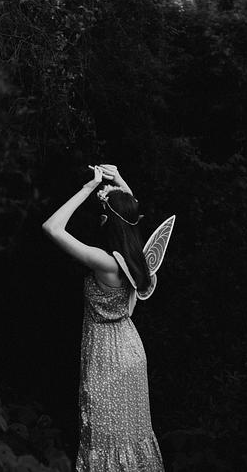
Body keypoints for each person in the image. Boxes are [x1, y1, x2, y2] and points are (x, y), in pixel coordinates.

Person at [42, 164, 165, 471]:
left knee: (105, 436)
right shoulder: (137, 260)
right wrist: (119, 180)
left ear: (108, 221)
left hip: (107, 356)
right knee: (130, 433)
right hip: (130, 348)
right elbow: (131, 216)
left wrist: (88, 188)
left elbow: (52, 227)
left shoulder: (105, 263)